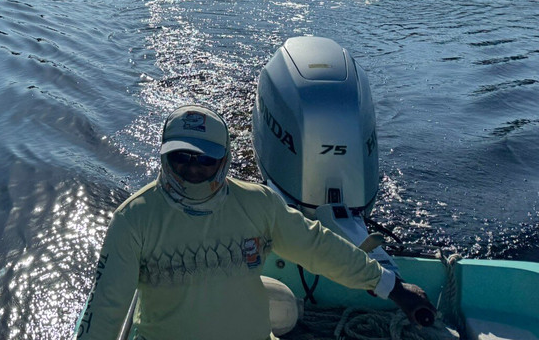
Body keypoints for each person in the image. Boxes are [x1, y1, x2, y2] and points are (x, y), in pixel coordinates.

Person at [74, 104, 433, 340]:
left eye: (205, 158)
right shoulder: (133, 219)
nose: (192, 168)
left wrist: (390, 286)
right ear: (164, 156)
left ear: (226, 159)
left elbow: (316, 246)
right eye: (180, 157)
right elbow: (106, 308)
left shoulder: (257, 203)